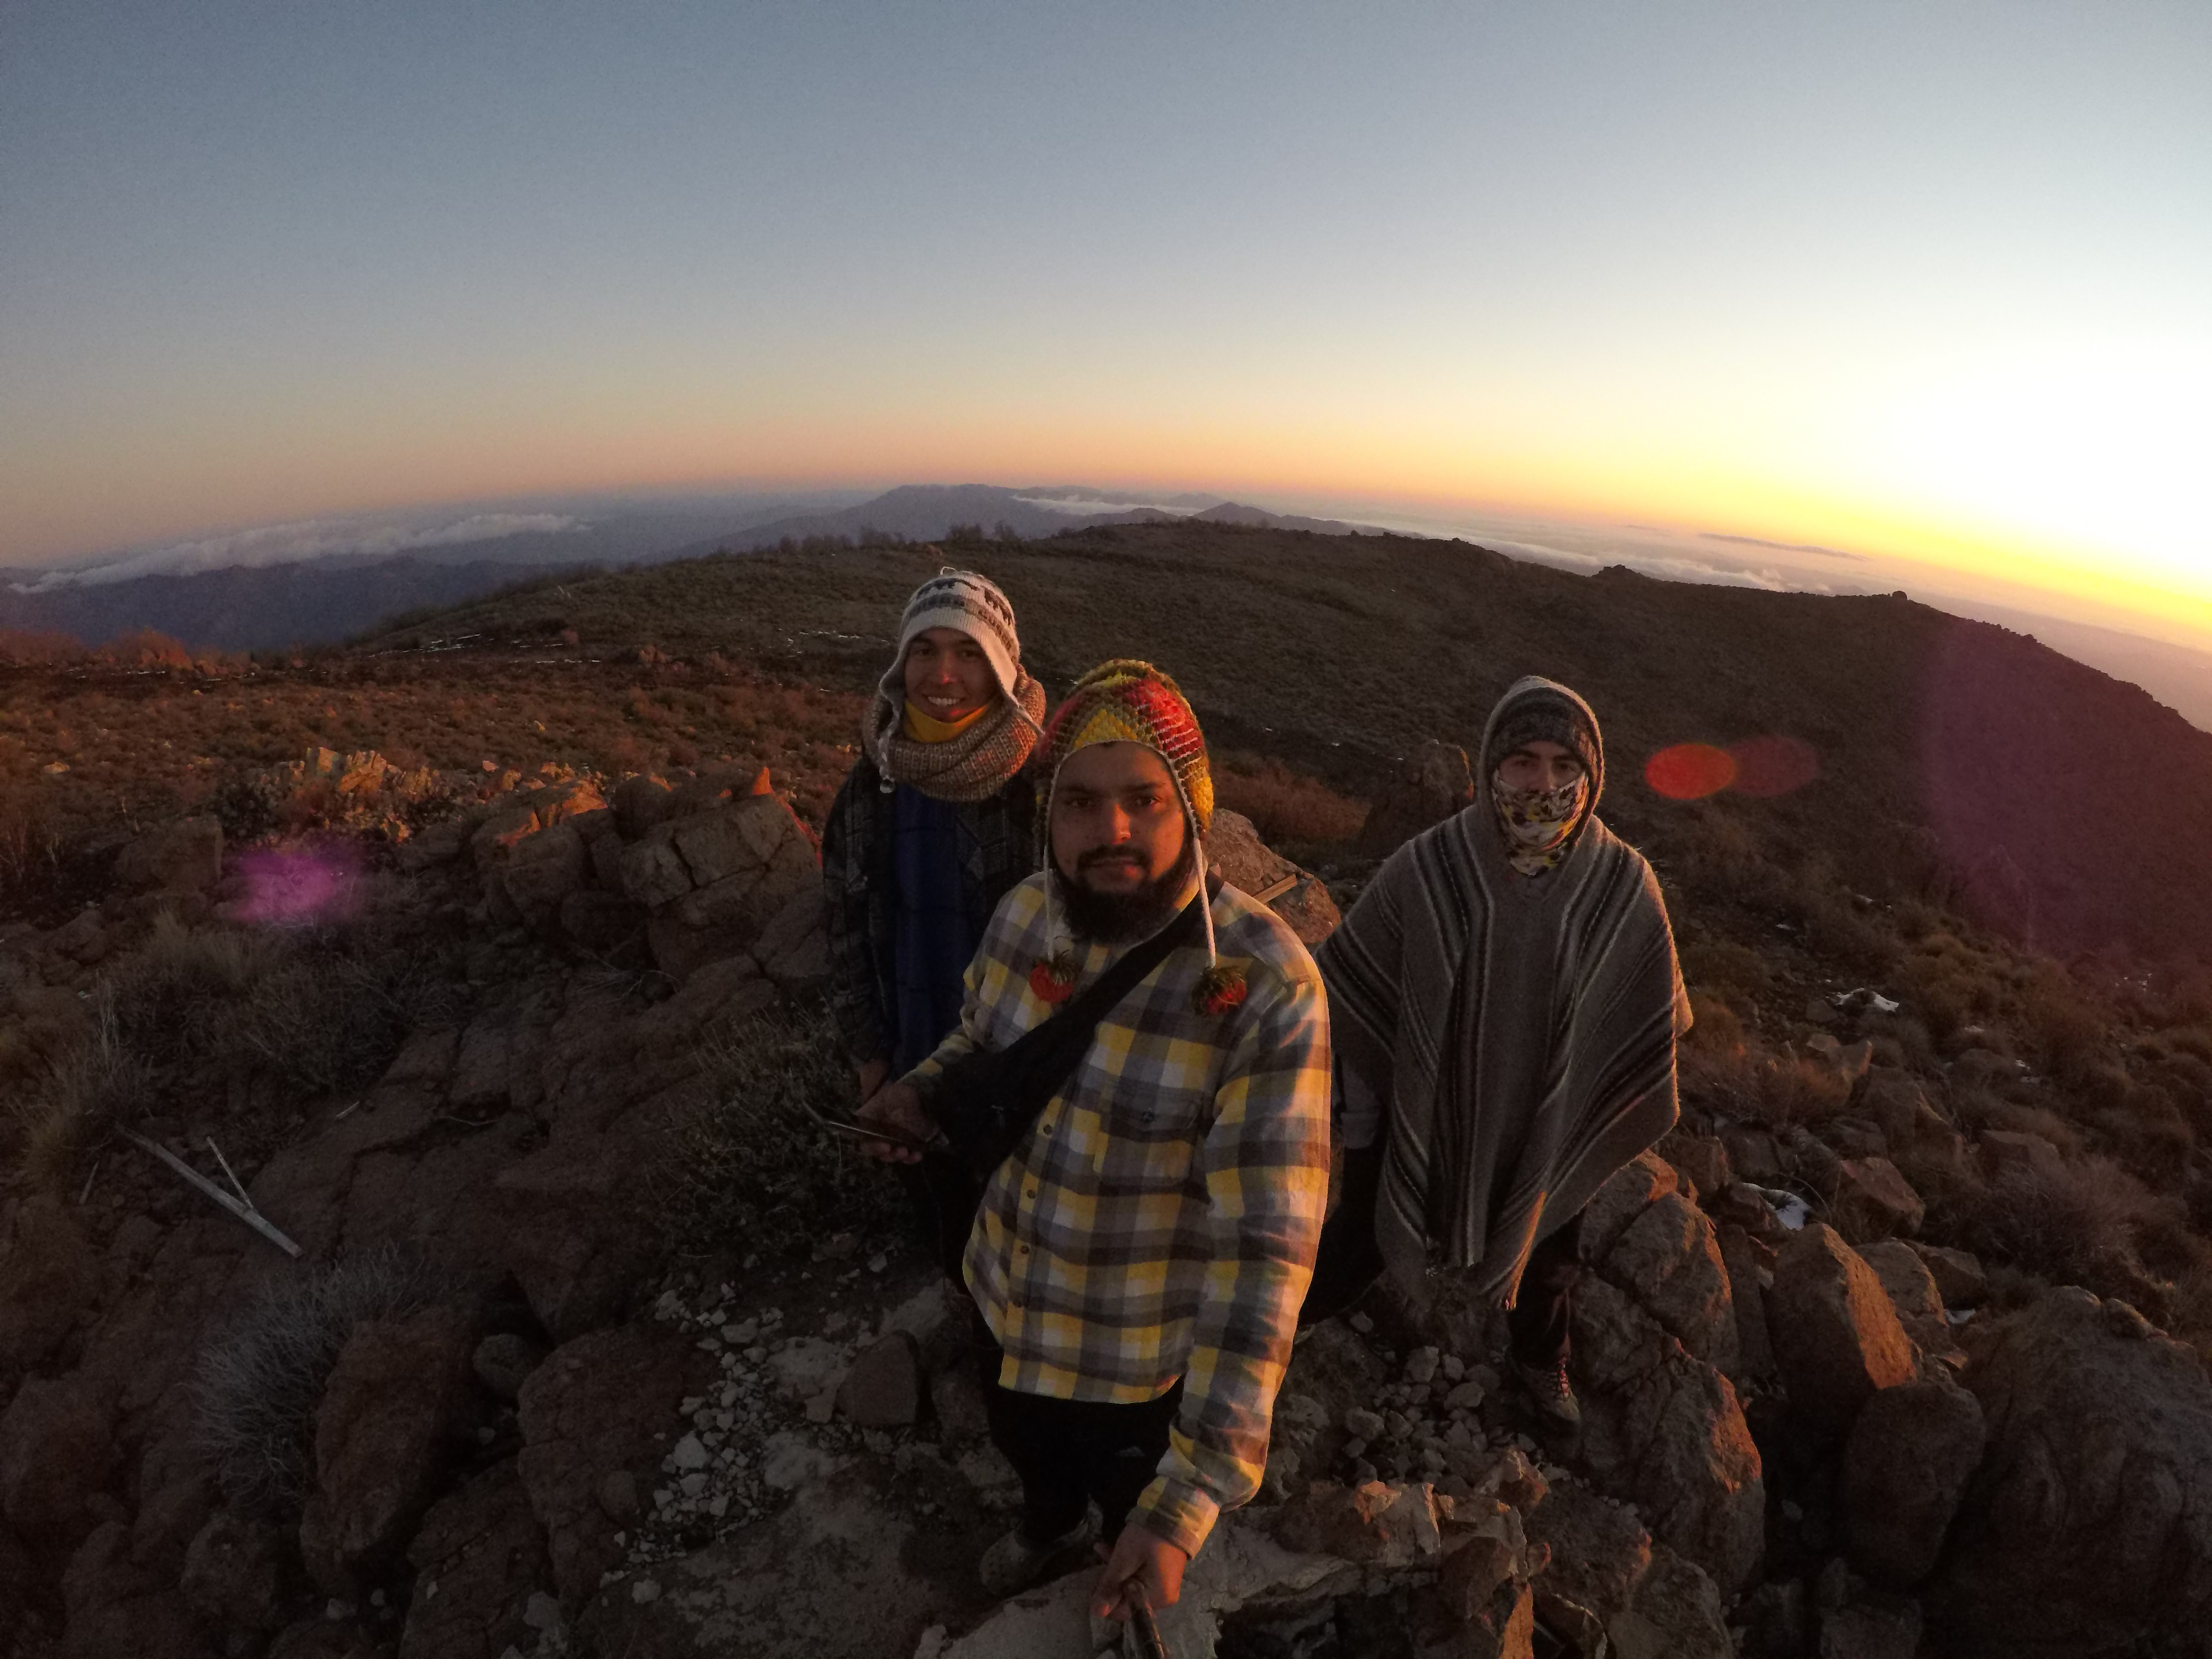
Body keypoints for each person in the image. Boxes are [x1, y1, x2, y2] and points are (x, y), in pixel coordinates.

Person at [856, 660, 1331, 1621]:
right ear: (1051, 814)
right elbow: (978, 1038)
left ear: (1192, 809)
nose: (1111, 829)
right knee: (1025, 1446)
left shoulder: (1264, 989)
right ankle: (1048, 1524)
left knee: (1130, 1500)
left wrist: (1183, 1506)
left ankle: (1115, 1548)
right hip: (1004, 1294)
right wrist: (922, 1094)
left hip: (1134, 1360)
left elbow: (1265, 1259)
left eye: (1143, 799)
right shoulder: (1029, 912)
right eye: (1080, 801)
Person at [1310, 676, 1689, 1427]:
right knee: (1363, 1234)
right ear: (1492, 767)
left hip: (1550, 1120)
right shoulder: (1430, 867)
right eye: (1523, 761)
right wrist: (1360, 1108)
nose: (1544, 784)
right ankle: (1275, 1327)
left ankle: (1541, 1360)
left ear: (1590, 775)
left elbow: (1646, 1018)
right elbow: (1351, 986)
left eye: (1563, 765)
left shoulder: (1622, 886)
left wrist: (1597, 1103)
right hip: (1424, 1102)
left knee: (1549, 1255)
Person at [822, 567, 1048, 1102]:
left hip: (1018, 1068)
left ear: (1001, 668)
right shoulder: (872, 780)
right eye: (924, 651)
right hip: (904, 1052)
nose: (942, 676)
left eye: (969, 653)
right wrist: (870, 1054)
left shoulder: (1041, 782)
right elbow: (843, 924)